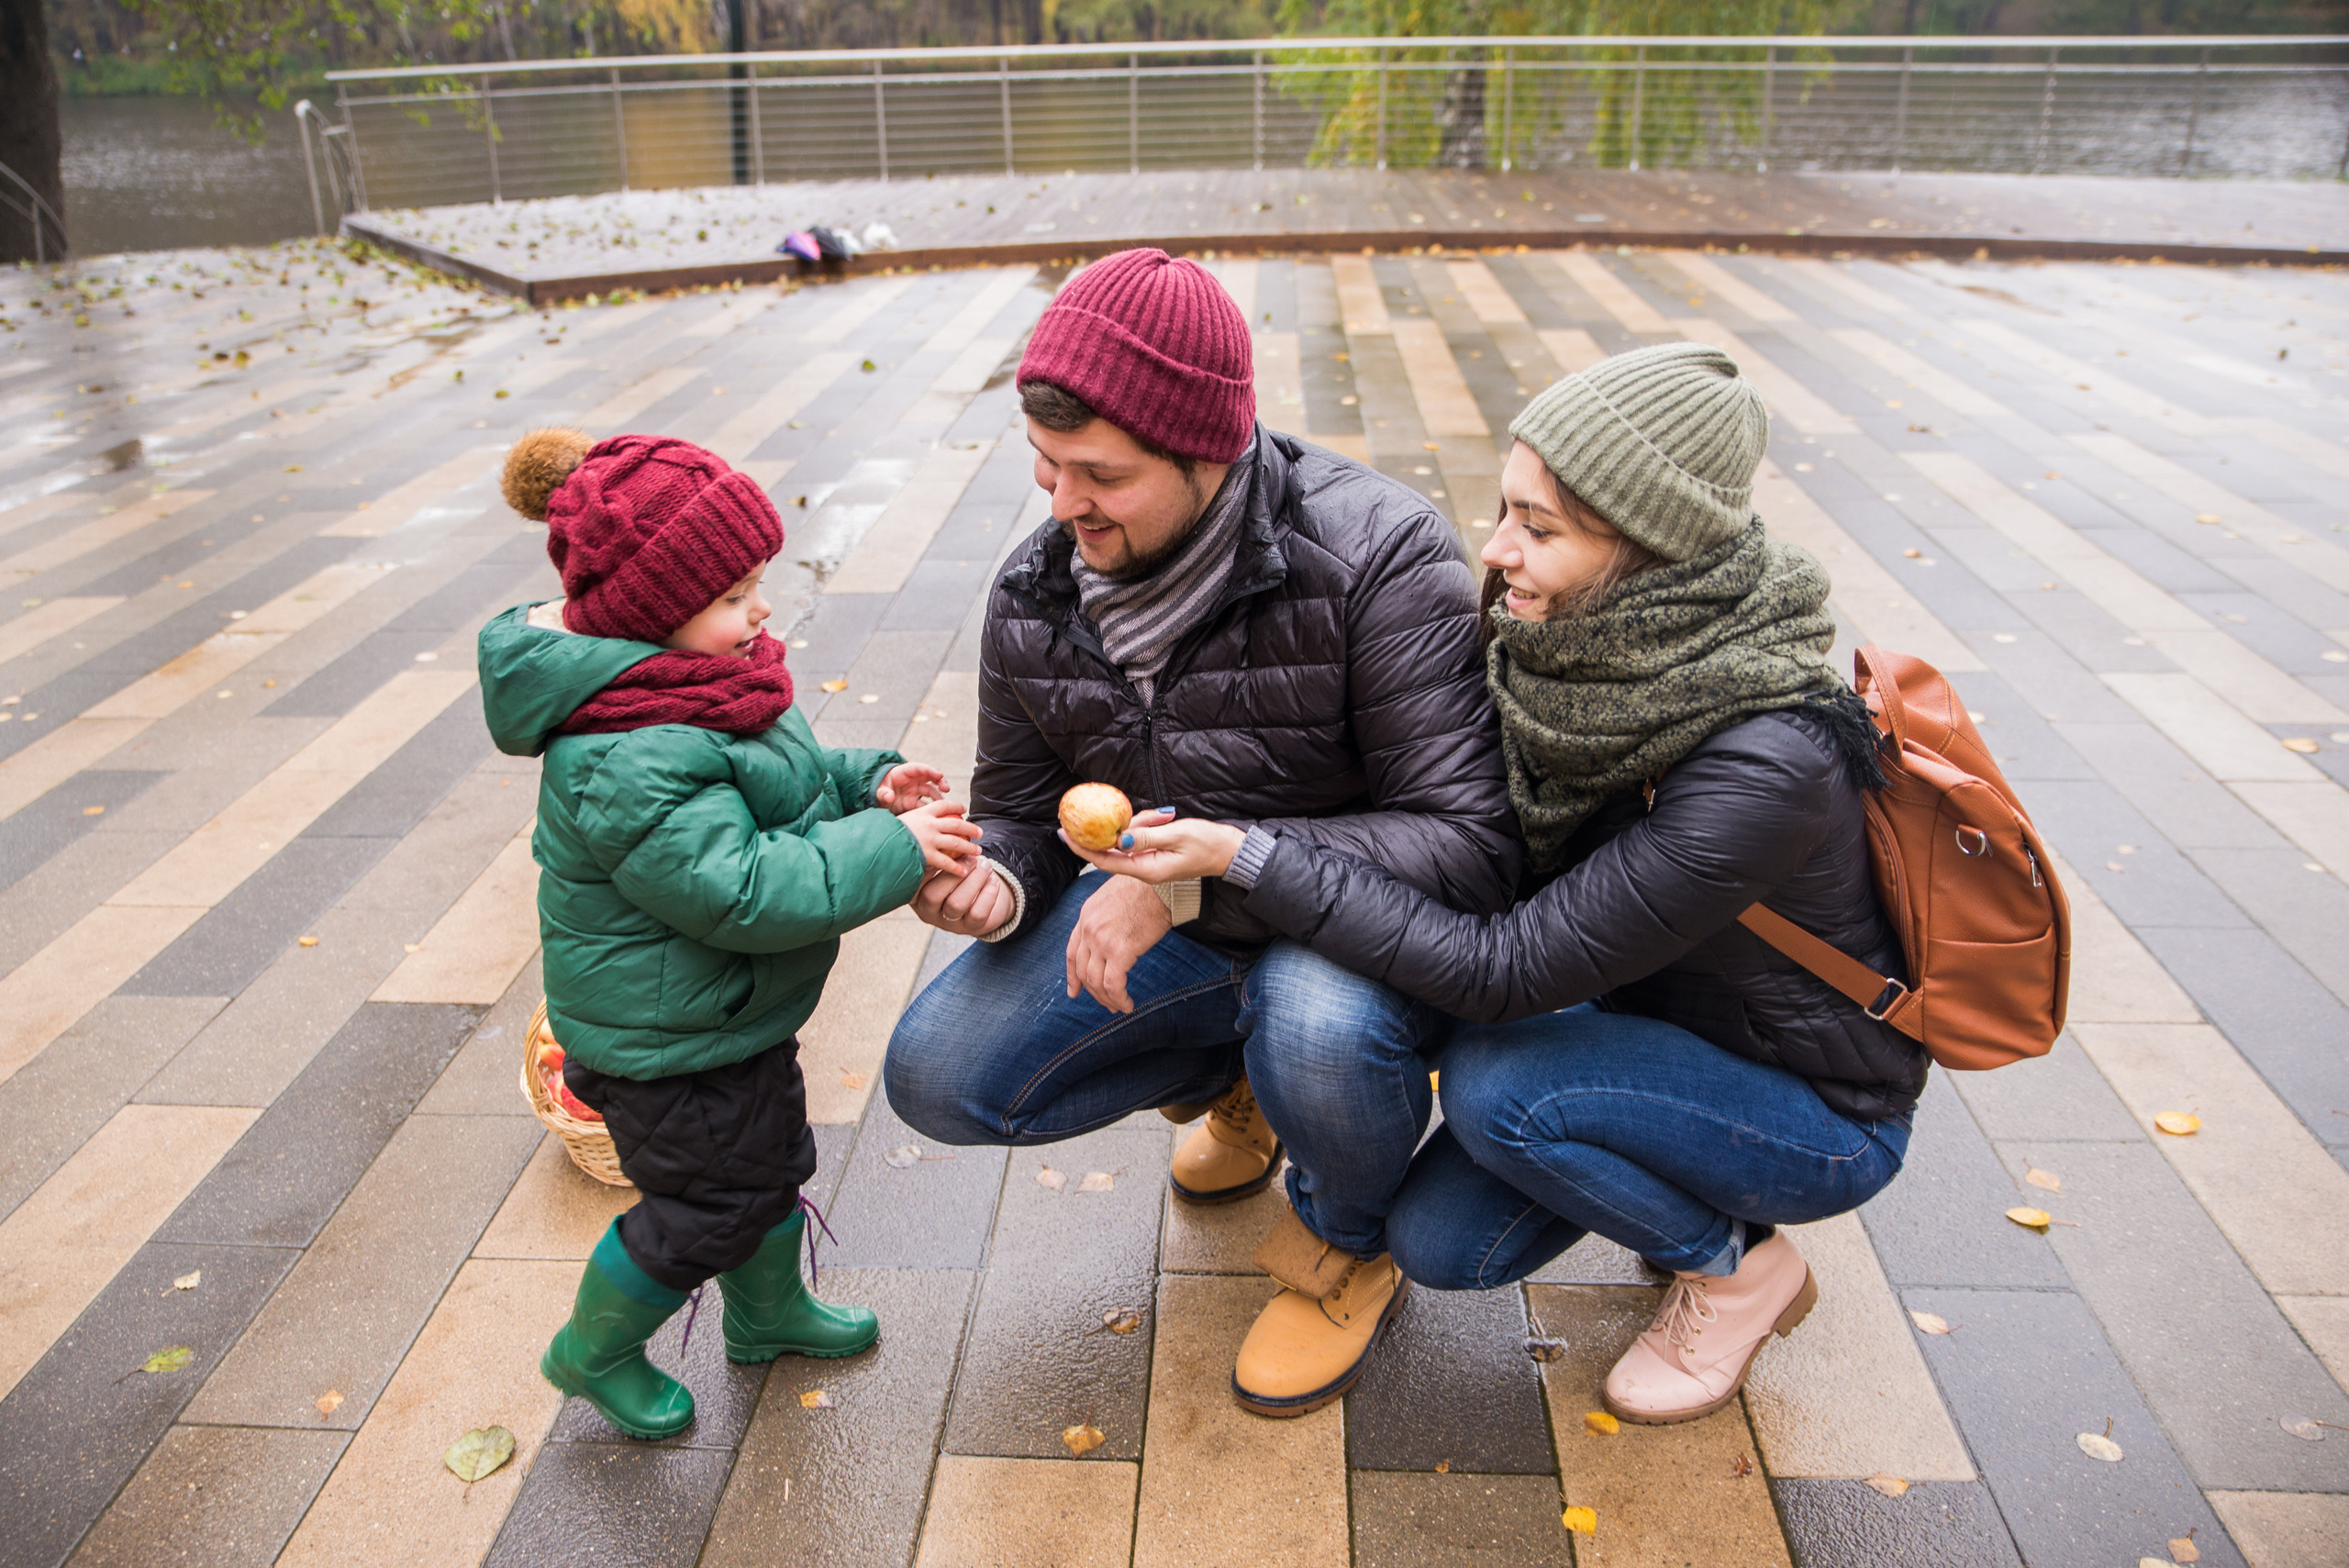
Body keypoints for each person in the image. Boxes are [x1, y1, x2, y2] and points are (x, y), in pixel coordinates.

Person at [1064, 342, 1922, 1425]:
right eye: (1506, 508)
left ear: (1653, 550)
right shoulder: (1569, 652)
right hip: (1627, 1011)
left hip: (1806, 1106)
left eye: (1541, 527)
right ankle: (1632, 1168)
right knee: (1441, 1243)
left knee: (1500, 1090)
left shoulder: (1763, 762)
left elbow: (1503, 969)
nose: (1496, 547)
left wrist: (1246, 856)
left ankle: (1735, 1266)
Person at [882, 248, 1521, 1416]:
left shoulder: (1379, 555)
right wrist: (998, 886)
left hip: (1358, 933)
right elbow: (1025, 810)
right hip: (1187, 906)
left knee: (1318, 1023)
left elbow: (1468, 842)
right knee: (935, 1078)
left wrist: (1193, 881)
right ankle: (1247, 1075)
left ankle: (1345, 1239)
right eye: (1046, 465)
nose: (1062, 503)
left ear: (1209, 450)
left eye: (1099, 474)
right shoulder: (1036, 592)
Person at [479, 428, 982, 1440]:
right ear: (650, 613)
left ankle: (767, 1312)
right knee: (701, 1205)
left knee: (770, 1158)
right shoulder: (626, 748)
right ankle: (593, 1350)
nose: (760, 610)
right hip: (662, 1038)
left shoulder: (702, 682)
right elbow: (740, 888)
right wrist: (893, 848)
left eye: (760, 581)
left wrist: (864, 783)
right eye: (731, 594)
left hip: (726, 1012)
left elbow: (772, 787)